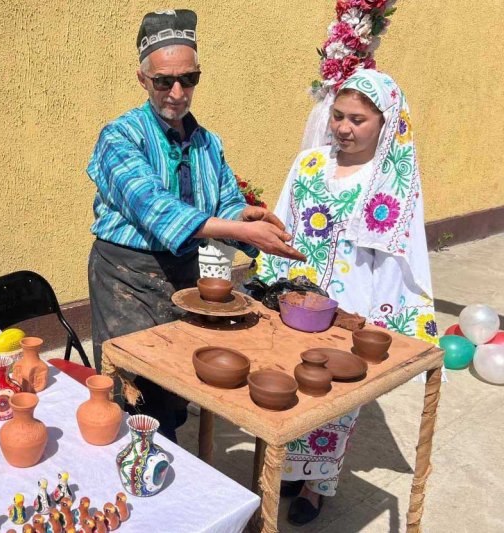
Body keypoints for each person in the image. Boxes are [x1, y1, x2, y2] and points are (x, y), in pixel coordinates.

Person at [87, 9, 305, 442]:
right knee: (137, 389)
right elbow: (154, 208)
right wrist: (239, 231)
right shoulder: (120, 137)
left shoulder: (207, 142)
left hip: (184, 276)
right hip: (126, 277)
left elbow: (225, 200)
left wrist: (244, 215)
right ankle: (140, 465)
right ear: (142, 79)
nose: (177, 92)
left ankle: (170, 460)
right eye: (163, 81)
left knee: (178, 382)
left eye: (188, 79)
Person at [254, 68, 438, 525]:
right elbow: (283, 224)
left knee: (335, 401)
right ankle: (290, 471)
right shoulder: (309, 164)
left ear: (385, 123)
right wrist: (270, 283)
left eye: (358, 119)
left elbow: (398, 256)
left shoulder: (390, 181)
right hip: (296, 302)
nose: (343, 128)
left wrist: (381, 321)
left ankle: (316, 485)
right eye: (338, 115)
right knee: (290, 386)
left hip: (350, 311)